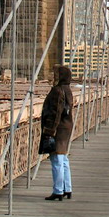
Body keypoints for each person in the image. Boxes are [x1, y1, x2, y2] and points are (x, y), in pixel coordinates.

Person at [39, 65, 73, 201]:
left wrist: (49, 131)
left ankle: (58, 190)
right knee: (63, 159)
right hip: (66, 127)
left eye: (54, 74)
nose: (52, 76)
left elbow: (55, 112)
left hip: (58, 129)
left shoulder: (58, 90)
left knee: (56, 159)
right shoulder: (67, 89)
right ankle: (67, 188)